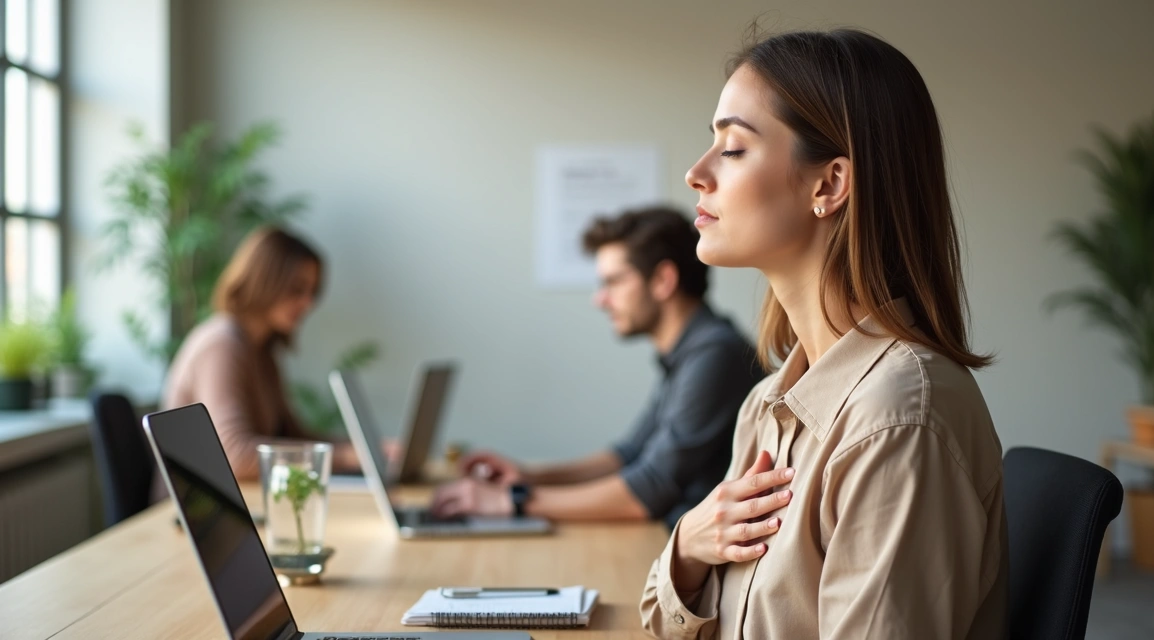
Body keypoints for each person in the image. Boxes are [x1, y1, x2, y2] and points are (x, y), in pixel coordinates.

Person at [639, 29, 1008, 639]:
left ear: (829, 184)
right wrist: (690, 546)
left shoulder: (896, 421)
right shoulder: (766, 406)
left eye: (732, 148)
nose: (695, 174)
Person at [430, 207, 764, 528]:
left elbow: (649, 491)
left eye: (613, 282)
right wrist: (529, 476)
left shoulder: (715, 354)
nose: (600, 299)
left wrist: (513, 501)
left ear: (663, 280)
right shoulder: (691, 351)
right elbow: (627, 455)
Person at [158, 226, 362, 491]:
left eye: (312, 292)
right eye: (297, 289)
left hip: (242, 501)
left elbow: (293, 435)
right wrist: (345, 457)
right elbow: (235, 456)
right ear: (264, 280)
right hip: (190, 516)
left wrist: (362, 451)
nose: (307, 303)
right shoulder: (221, 344)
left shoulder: (262, 350)